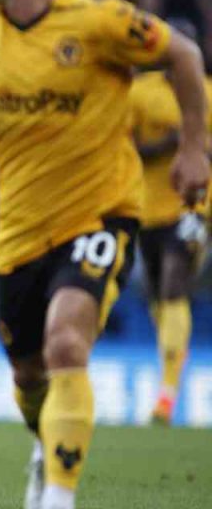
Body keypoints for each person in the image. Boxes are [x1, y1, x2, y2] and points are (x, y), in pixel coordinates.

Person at [0, 0, 209, 509]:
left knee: (67, 341)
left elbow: (184, 56)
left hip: (99, 214)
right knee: (28, 377)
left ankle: (57, 496)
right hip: (20, 230)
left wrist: (195, 148)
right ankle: (46, 444)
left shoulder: (99, 22)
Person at [128, 24, 212, 425]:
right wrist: (171, 143)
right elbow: (123, 148)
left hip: (192, 208)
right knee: (156, 297)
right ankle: (175, 352)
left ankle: (166, 395)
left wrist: (196, 144)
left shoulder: (206, 93)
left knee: (174, 285)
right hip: (147, 209)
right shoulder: (141, 93)